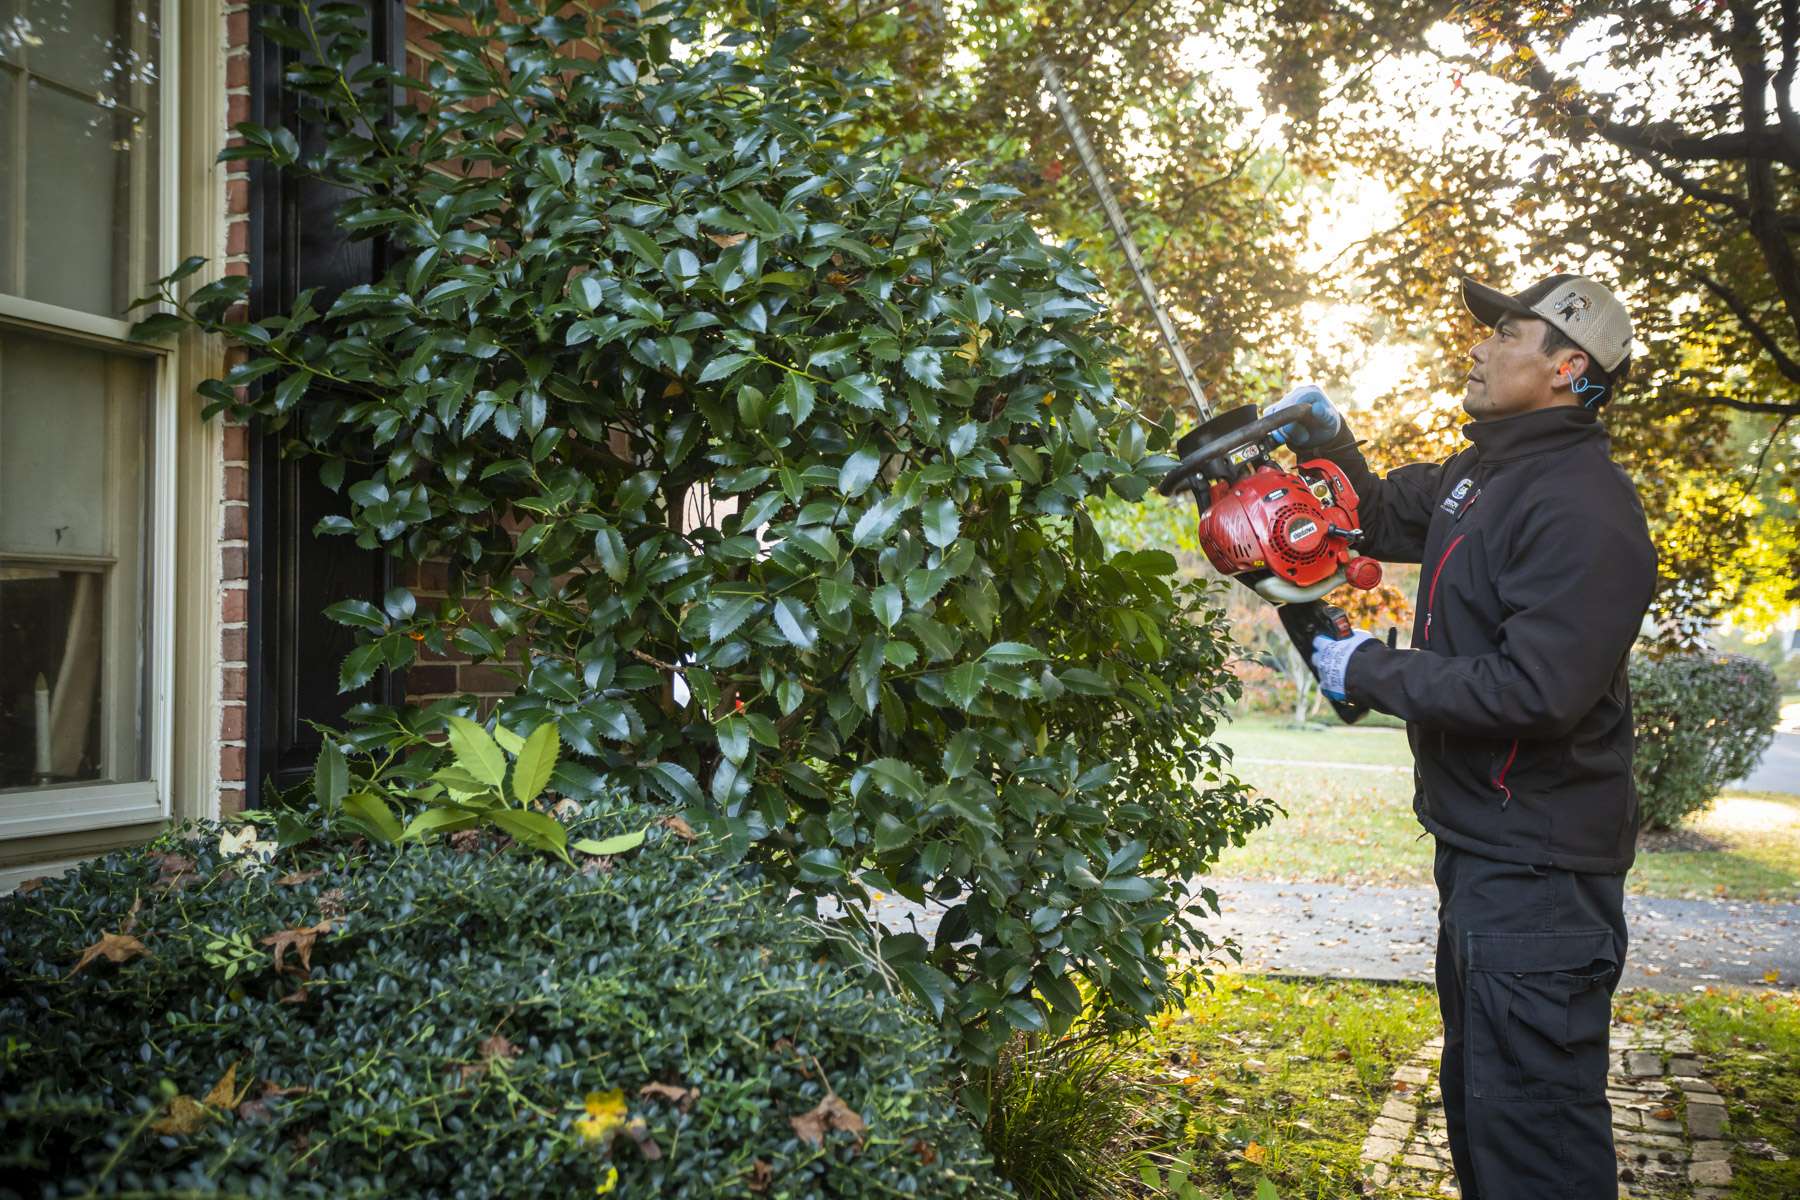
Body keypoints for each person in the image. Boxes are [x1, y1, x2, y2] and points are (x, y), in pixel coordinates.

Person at [1268, 273, 1657, 1199]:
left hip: (1542, 878)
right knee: (1489, 1115)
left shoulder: (1584, 509)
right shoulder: (1477, 476)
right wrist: (1325, 443)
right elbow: (1361, 512)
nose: (1478, 349)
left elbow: (1537, 691)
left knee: (1534, 1146)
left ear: (1568, 368)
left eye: (1507, 335)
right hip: (1485, 856)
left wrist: (1365, 669)